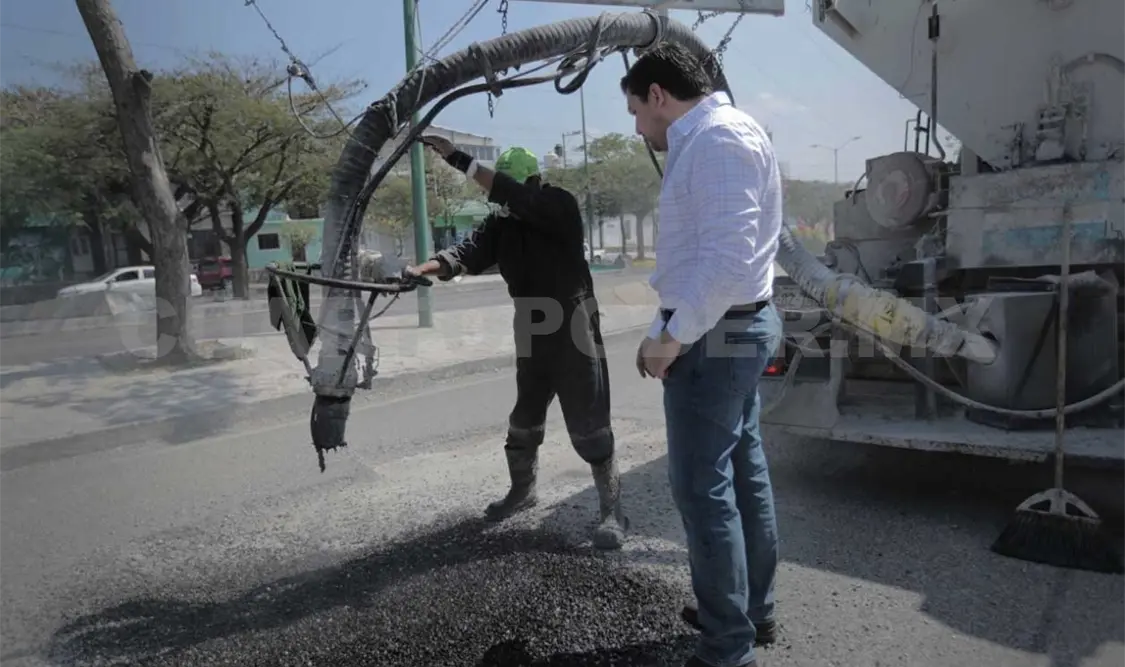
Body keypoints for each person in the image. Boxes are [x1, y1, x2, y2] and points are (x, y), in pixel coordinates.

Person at [619, 43, 784, 667]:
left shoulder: (716, 141)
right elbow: (702, 258)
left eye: (636, 110)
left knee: (702, 488)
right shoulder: (717, 135)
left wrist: (671, 337)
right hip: (727, 327)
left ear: (659, 95)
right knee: (743, 473)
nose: (637, 127)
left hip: (719, 334)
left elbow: (726, 262)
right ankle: (748, 613)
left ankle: (726, 644)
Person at [406, 138, 628, 550]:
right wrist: (423, 268)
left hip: (574, 325)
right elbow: (464, 253)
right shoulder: (501, 224)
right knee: (523, 422)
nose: (501, 199)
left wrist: (458, 158)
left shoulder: (558, 206)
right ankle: (523, 493)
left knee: (590, 428)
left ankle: (613, 511)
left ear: (532, 181)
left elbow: (514, 195)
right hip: (531, 327)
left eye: (508, 188)